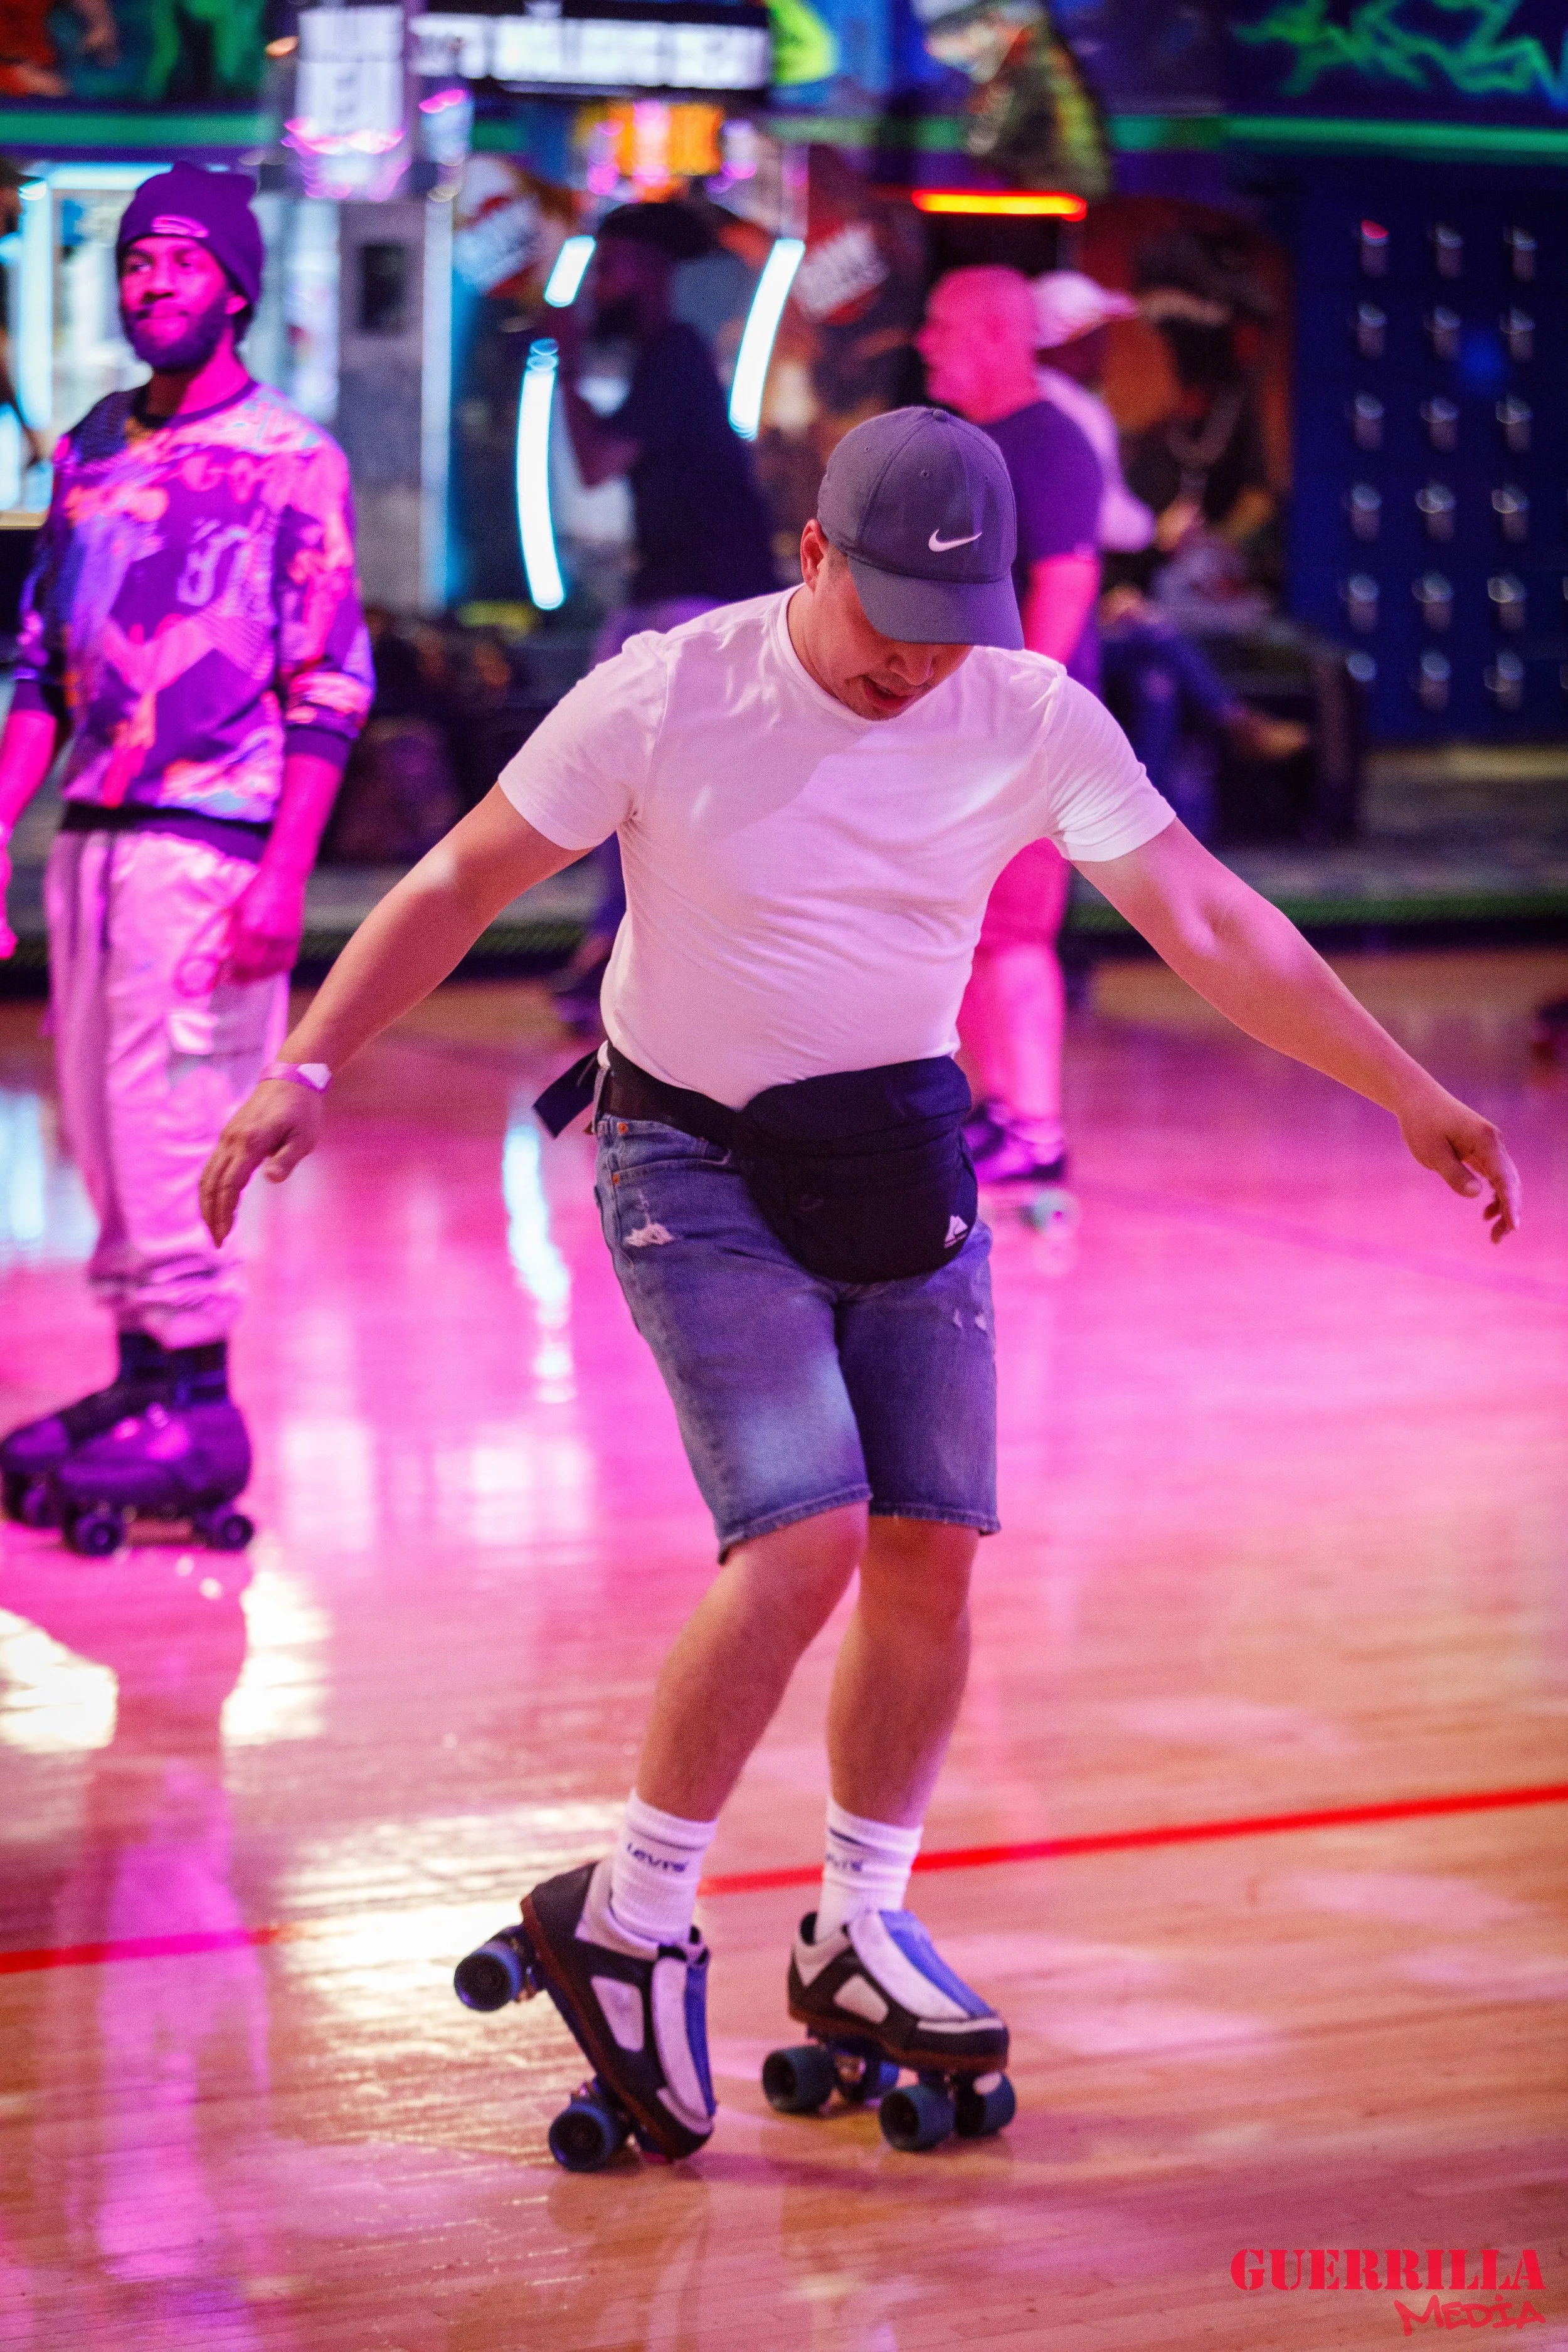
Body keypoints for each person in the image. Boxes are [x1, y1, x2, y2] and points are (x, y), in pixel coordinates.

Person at [199, 405, 1518, 2166]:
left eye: (945, 624)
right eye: (884, 610)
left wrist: (1402, 1088)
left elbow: (1205, 918)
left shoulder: (1025, 707)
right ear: (809, 554)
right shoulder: (669, 692)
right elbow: (459, 879)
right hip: (689, 1159)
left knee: (932, 1543)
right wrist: (309, 1060)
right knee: (801, 1533)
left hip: (901, 1148)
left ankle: (851, 1919)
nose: (913, 660)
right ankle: (638, 1905)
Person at [0, 162, 372, 1536]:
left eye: (178, 260)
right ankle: (144, 1374)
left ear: (236, 288)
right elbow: (37, 664)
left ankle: (203, 1408)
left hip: (210, 845)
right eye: (135, 261)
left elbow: (329, 681)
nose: (151, 281)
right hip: (90, 841)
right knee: (96, 1130)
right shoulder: (90, 446)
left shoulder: (293, 460)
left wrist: (282, 875)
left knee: (174, 1122)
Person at [548, 199, 780, 1029]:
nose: (598, 286)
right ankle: (617, 940)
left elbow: (599, 457)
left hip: (701, 596)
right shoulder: (662, 356)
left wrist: (565, 363)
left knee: (645, 774)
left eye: (609, 267)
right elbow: (600, 459)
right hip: (679, 593)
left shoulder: (675, 352)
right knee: (634, 771)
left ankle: (624, 943)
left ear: (648, 271)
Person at [917, 265, 1100, 1186]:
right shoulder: (978, 443)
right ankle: (1003, 1112)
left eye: (940, 327)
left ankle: (1036, 1129)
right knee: (983, 930)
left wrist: (1020, 710)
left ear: (994, 336)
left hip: (1028, 737)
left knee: (1018, 927)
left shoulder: (1049, 442)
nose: (925, 343)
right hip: (978, 730)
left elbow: (1067, 583)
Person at [1033, 268, 1308, 819]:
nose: (1106, 343)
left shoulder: (1039, 406)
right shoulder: (1074, 413)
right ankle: (1226, 732)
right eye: (1096, 332)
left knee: (1158, 683)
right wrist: (1159, 533)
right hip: (1058, 607)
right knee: (1155, 638)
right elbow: (1104, 522)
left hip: (1063, 593)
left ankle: (1143, 824)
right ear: (1071, 340)